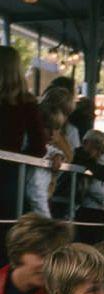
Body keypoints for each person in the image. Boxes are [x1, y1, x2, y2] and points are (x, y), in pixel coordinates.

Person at [0, 47, 47, 262]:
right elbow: (39, 147)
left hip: (10, 170)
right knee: (6, 233)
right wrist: (18, 156)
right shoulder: (26, 103)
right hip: (9, 174)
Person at [24, 103, 66, 217]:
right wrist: (46, 219)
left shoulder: (50, 149)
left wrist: (58, 155)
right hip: (32, 204)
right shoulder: (29, 145)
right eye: (47, 127)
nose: (52, 134)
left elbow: (51, 150)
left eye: (56, 128)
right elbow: (35, 190)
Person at [73, 129, 104, 244]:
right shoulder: (77, 155)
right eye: (97, 149)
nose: (98, 155)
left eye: (102, 152)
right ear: (86, 143)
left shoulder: (89, 161)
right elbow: (101, 172)